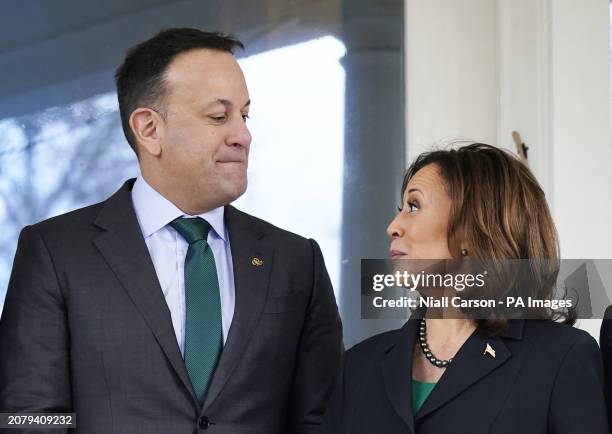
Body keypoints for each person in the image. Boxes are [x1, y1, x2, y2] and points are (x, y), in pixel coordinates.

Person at [0, 28, 343, 434]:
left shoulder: (295, 261)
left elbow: (322, 420)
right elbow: (31, 418)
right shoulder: (56, 252)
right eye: (219, 116)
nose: (243, 135)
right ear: (149, 129)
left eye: (244, 115)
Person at [320, 143, 608, 434]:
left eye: (414, 206)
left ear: (471, 229)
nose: (393, 226)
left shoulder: (562, 358)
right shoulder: (358, 367)